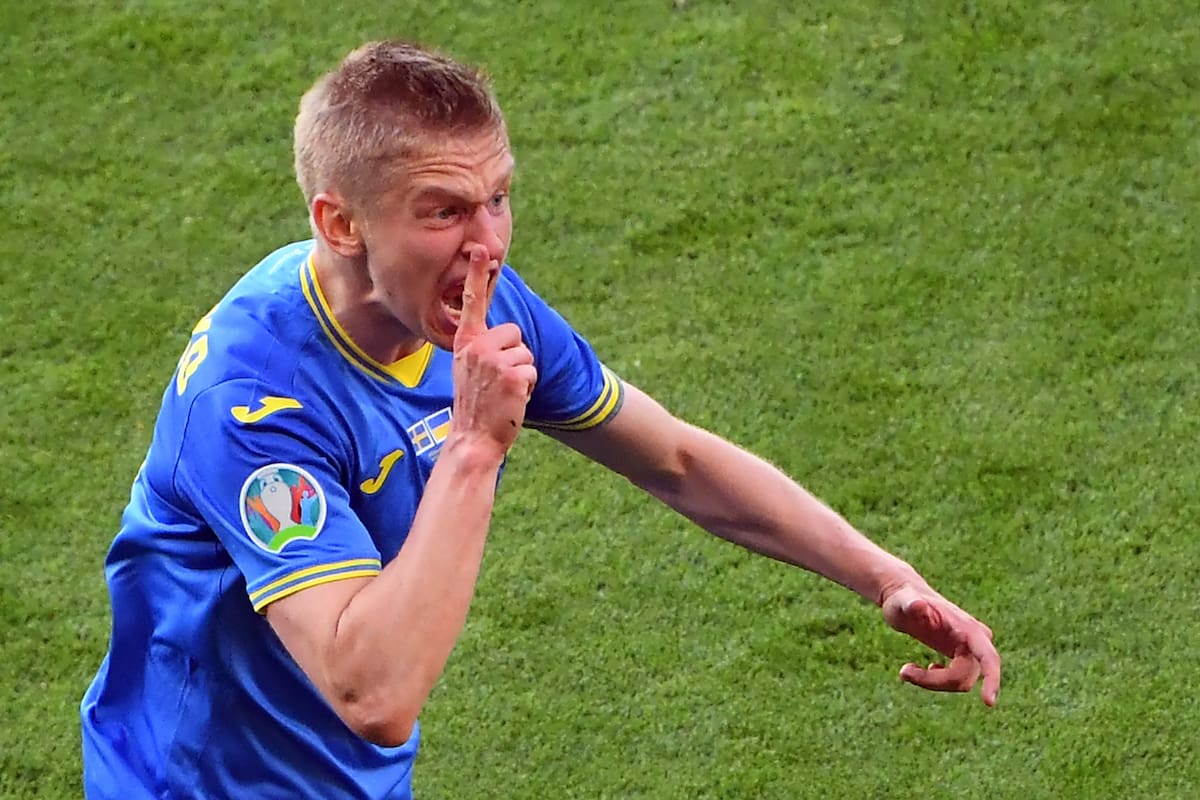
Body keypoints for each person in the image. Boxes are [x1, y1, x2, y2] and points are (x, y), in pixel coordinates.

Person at [80, 39, 1001, 799]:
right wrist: (474, 446)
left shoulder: (478, 302)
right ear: (343, 224)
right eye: (444, 211)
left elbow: (674, 459)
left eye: (499, 198)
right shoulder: (252, 403)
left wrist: (886, 577)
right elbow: (374, 694)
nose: (487, 243)